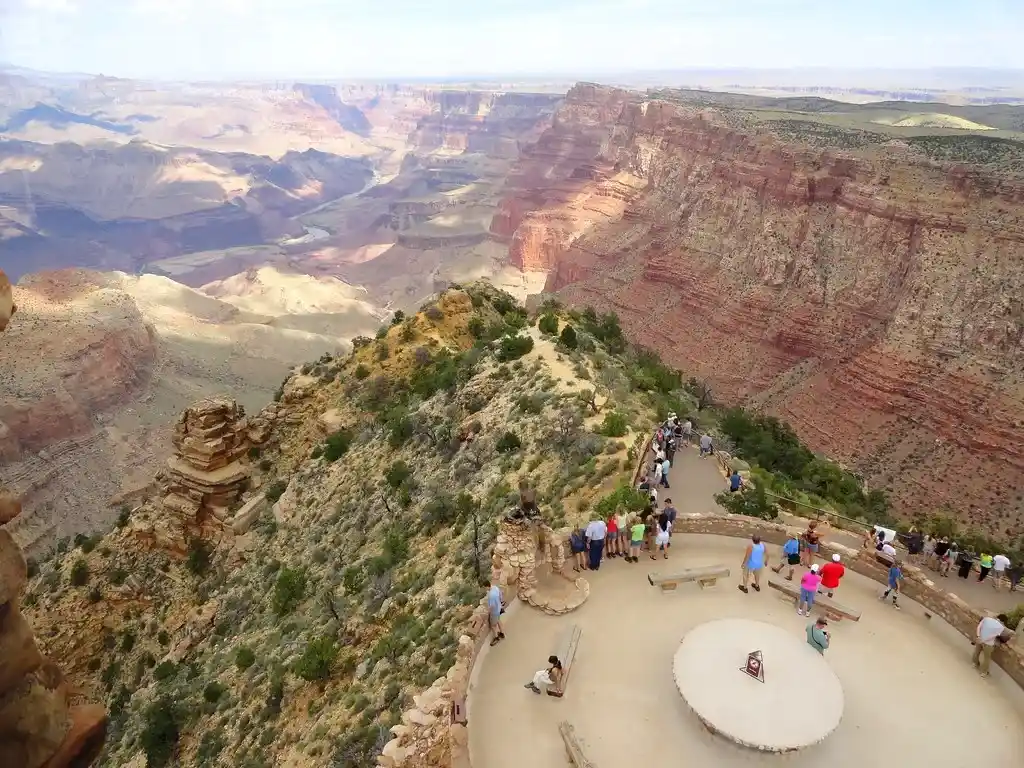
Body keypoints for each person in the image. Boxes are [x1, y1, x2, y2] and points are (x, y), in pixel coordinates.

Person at [972, 614, 1010, 678]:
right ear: (1003, 621)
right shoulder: (1001, 627)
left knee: (976, 652)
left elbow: (979, 627)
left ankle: (975, 664)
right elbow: (992, 636)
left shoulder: (987, 619)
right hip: (988, 643)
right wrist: (983, 640)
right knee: (987, 658)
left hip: (979, 639)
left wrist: (979, 636)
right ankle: (983, 672)